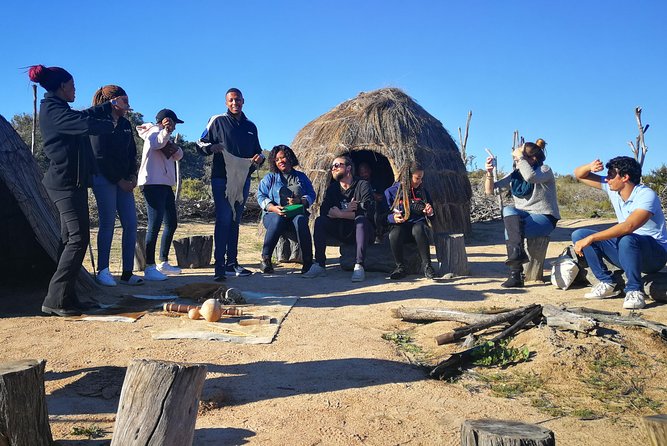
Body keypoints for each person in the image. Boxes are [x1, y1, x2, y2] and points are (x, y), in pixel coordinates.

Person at [28, 64, 127, 316]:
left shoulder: (57, 108)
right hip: (64, 183)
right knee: (77, 239)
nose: (75, 90)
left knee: (69, 240)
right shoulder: (52, 110)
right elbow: (83, 123)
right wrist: (110, 122)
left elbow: (83, 115)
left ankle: (67, 297)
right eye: (72, 86)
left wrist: (108, 106)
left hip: (74, 182)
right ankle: (54, 299)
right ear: (62, 87)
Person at [572, 156, 667, 309]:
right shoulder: (613, 189)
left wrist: (592, 237)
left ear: (625, 177)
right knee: (579, 235)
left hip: (654, 255)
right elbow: (579, 174)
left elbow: (629, 226)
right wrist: (590, 167)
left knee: (627, 238)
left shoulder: (645, 195)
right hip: (626, 248)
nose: (607, 179)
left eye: (611, 175)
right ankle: (607, 282)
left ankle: (635, 290)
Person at [197, 88, 265, 281]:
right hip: (221, 177)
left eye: (237, 100)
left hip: (243, 179)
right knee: (224, 218)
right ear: (226, 103)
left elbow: (258, 152)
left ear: (243, 101)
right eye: (231, 100)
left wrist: (260, 158)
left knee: (235, 220)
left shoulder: (251, 126)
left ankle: (231, 263)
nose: (235, 103)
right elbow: (200, 144)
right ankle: (219, 267)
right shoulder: (217, 121)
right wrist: (212, 147)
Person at [484, 138, 560, 288]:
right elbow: (490, 191)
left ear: (533, 159)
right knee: (508, 211)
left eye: (520, 158)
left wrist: (520, 157)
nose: (516, 160)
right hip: (523, 216)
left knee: (511, 230)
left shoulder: (545, 170)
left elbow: (531, 177)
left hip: (544, 218)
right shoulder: (516, 174)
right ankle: (517, 265)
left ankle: (515, 274)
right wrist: (489, 173)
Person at [90, 85, 142, 287]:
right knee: (108, 223)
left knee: (130, 223)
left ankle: (127, 273)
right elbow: (99, 155)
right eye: (125, 100)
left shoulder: (125, 124)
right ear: (113, 102)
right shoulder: (97, 124)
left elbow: (131, 152)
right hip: (103, 179)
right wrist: (119, 180)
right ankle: (103, 270)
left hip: (124, 180)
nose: (128, 105)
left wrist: (133, 175)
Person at [303, 155, 375, 282]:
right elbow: (324, 210)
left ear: (348, 168)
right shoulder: (333, 188)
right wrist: (347, 212)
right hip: (340, 229)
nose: (333, 168)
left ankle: (359, 265)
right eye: (332, 166)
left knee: (361, 221)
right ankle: (320, 264)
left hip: (360, 231)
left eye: (337, 165)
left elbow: (367, 212)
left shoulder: (362, 185)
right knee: (320, 221)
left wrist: (340, 214)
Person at [136, 109, 184, 281]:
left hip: (165, 185)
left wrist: (171, 139)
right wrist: (165, 132)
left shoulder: (165, 135)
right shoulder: (153, 133)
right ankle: (149, 266)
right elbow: (156, 144)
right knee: (154, 224)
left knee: (171, 223)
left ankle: (162, 262)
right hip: (152, 184)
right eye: (172, 122)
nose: (174, 126)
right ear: (165, 121)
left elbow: (179, 155)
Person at [256, 145, 316, 274]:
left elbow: (312, 194)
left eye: (282, 157)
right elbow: (261, 196)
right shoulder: (270, 178)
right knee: (278, 219)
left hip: (295, 214)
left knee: (300, 219)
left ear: (289, 158)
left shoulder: (301, 177)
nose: (280, 161)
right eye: (277, 160)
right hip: (273, 215)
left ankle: (308, 261)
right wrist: (273, 208)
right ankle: (265, 259)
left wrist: (300, 201)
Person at [384, 161, 436, 279]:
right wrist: (392, 218)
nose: (420, 181)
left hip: (419, 231)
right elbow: (382, 216)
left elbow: (433, 217)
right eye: (417, 178)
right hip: (401, 228)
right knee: (395, 233)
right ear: (407, 177)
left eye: (421, 178)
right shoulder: (391, 192)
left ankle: (427, 266)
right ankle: (400, 267)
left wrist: (430, 212)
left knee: (419, 228)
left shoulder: (422, 192)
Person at [358, 161, 389, 243]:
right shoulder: (358, 185)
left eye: (365, 172)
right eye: (362, 173)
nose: (364, 175)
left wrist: (374, 196)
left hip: (378, 208)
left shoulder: (377, 183)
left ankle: (379, 233)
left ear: (370, 171)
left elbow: (382, 197)